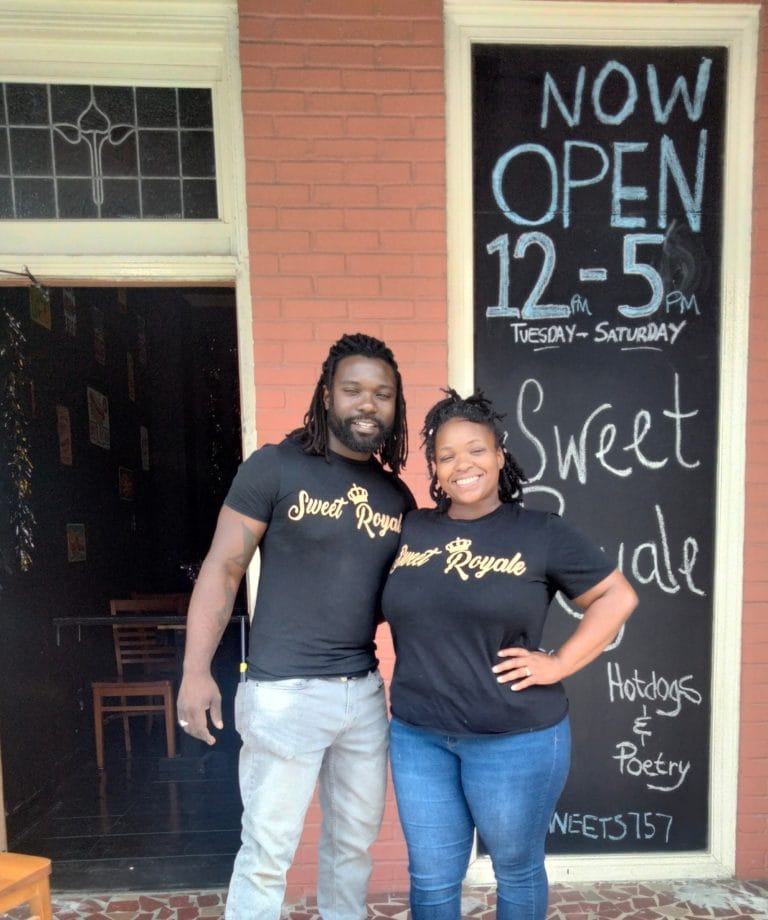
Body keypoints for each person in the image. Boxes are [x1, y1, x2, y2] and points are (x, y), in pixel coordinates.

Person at [176, 332, 415, 920]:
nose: (368, 404)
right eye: (354, 389)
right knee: (266, 853)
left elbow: (399, 596)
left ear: (396, 405)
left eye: (382, 394)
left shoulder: (396, 495)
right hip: (283, 694)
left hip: (362, 695)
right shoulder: (275, 467)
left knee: (351, 849)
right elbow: (224, 566)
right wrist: (194, 671)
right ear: (326, 393)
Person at [381, 389, 638, 920]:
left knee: (516, 871)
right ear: (434, 468)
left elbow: (618, 596)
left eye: (475, 450)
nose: (462, 465)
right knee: (430, 881)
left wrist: (561, 662)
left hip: (516, 741)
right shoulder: (412, 529)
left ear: (499, 455)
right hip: (418, 737)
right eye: (446, 456)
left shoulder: (541, 532)